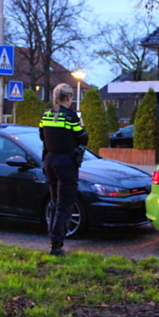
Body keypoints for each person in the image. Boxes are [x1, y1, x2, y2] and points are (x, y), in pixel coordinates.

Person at [39, 83, 88, 257]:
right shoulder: (71, 117)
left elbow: (41, 135)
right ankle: (56, 245)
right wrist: (81, 125)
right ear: (69, 98)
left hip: (50, 160)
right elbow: (83, 139)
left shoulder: (47, 114)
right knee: (64, 204)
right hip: (66, 162)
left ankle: (52, 238)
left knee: (54, 202)